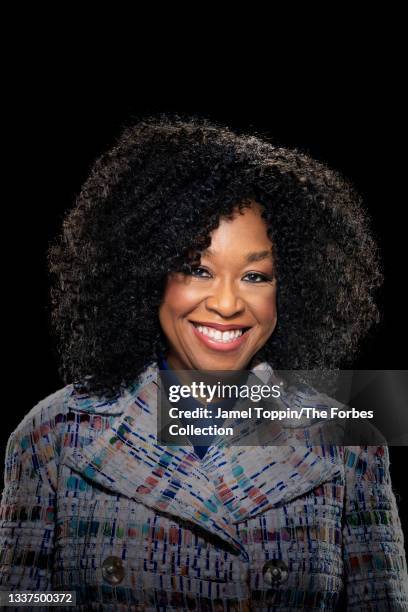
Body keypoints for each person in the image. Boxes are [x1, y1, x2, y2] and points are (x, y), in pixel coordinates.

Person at [0, 115, 407, 611]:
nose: (228, 303)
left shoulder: (351, 441)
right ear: (145, 270)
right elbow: (26, 596)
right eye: (197, 269)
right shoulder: (53, 434)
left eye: (256, 276)